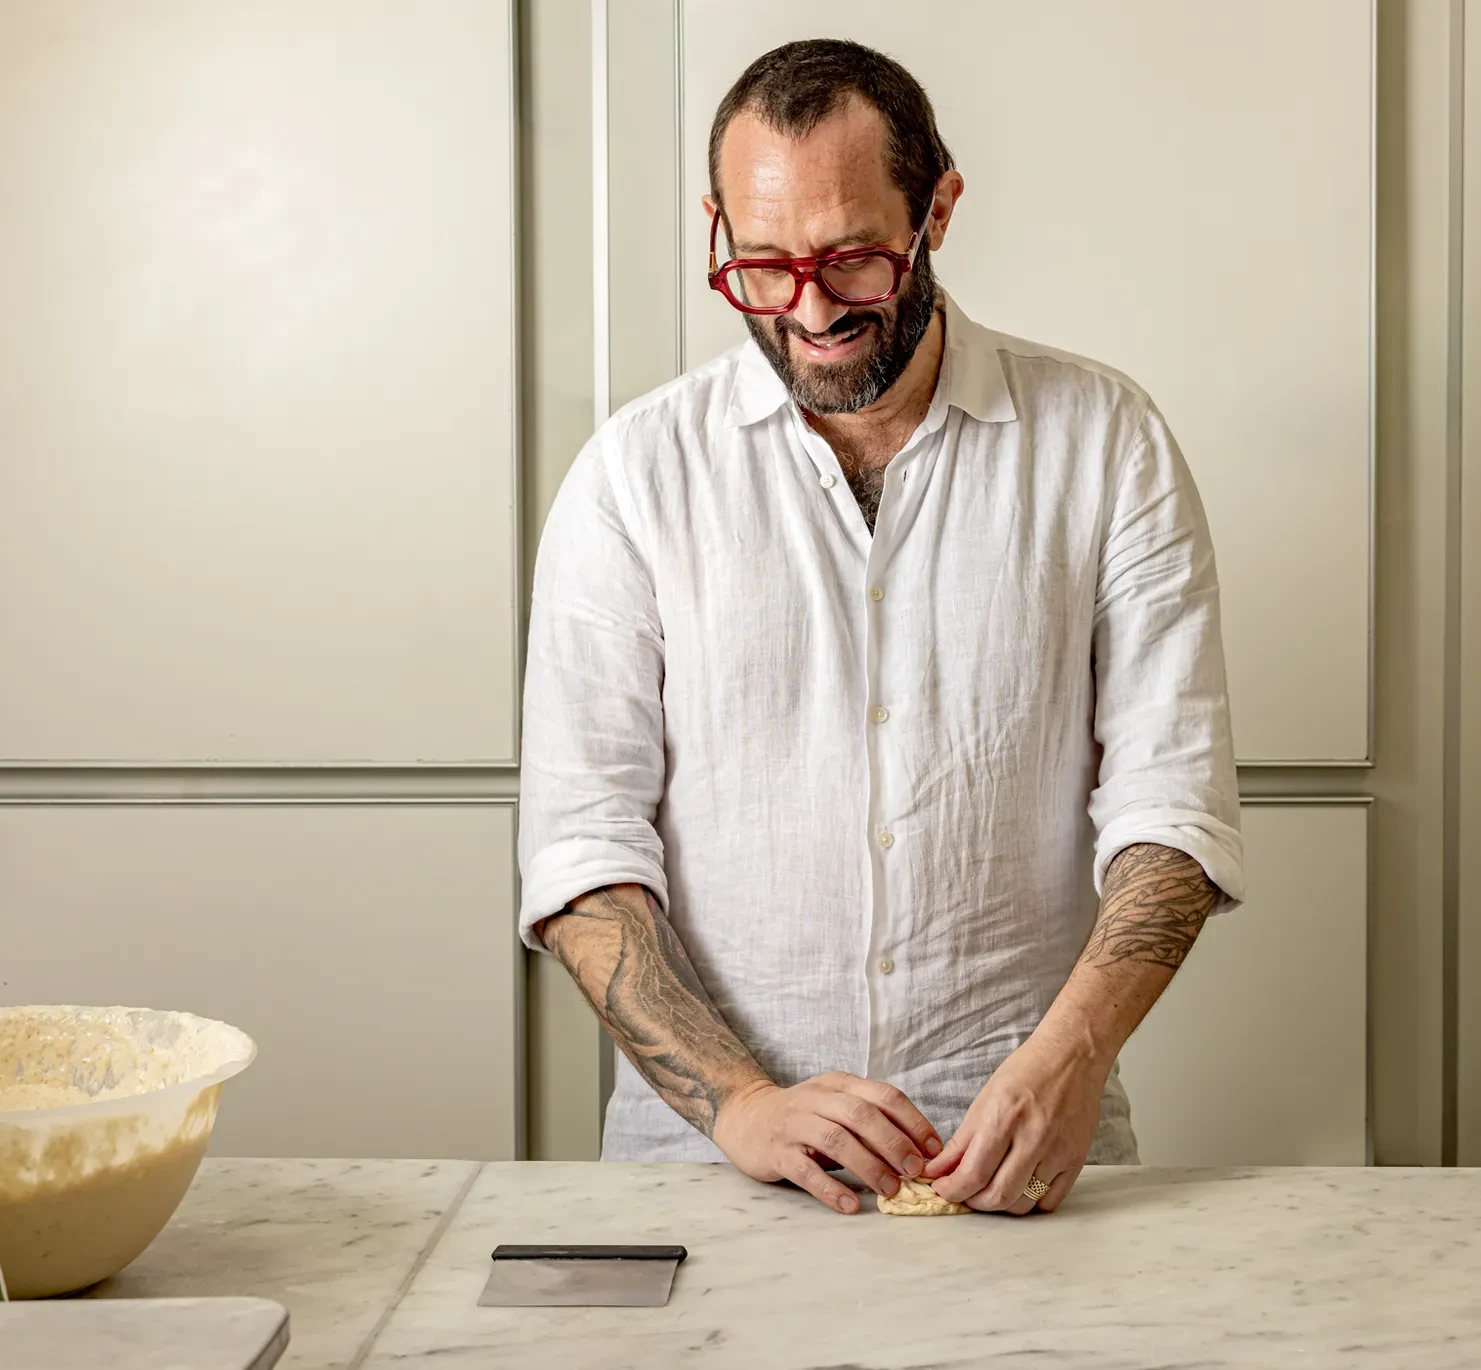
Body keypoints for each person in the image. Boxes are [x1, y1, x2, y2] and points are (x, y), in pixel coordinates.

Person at [519, 38, 1243, 1216]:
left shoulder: (1107, 445)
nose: (806, 310)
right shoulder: (632, 476)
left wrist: (1070, 1057)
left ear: (937, 210)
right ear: (718, 230)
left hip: (1023, 1160)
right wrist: (742, 1101)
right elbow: (582, 854)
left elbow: (1172, 813)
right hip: (702, 1169)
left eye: (852, 260)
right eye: (760, 265)